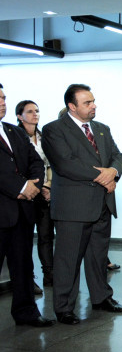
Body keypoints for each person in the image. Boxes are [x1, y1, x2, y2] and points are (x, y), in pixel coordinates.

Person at [42, 84, 122, 324]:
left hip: (102, 204)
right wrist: (105, 177)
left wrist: (113, 171)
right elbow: (65, 164)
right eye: (87, 103)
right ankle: (64, 307)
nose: (93, 106)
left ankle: (101, 298)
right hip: (73, 208)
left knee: (98, 256)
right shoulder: (54, 130)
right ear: (72, 106)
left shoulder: (101, 129)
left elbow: (118, 157)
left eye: (93, 101)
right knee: (68, 259)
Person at [0, 84, 53, 327]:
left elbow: (35, 161)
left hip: (21, 213)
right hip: (3, 209)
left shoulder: (14, 131)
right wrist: (22, 187)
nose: (2, 102)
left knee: (22, 266)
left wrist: (34, 184)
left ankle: (26, 313)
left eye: (3, 97)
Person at [16, 99, 53, 293]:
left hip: (44, 192)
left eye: (37, 111)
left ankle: (49, 274)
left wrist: (47, 186)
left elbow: (50, 164)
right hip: (26, 192)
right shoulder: (15, 136)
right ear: (20, 116)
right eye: (30, 111)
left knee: (46, 235)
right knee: (26, 239)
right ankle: (28, 279)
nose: (35, 114)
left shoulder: (44, 136)